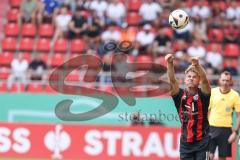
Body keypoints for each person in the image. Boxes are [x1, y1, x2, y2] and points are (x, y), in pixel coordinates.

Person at [165, 53, 211, 160]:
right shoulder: (179, 95)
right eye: (189, 76)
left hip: (202, 141)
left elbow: (204, 79)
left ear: (198, 80)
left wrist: (197, 65)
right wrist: (170, 63)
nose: (191, 79)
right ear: (185, 79)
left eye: (194, 77)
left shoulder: (204, 94)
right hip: (185, 143)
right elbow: (172, 80)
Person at [208, 71, 240, 160]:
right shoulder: (213, 92)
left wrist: (235, 132)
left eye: (227, 80)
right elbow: (207, 111)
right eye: (223, 80)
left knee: (222, 157)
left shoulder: (235, 95)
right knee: (208, 156)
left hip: (226, 130)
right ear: (219, 80)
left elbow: (239, 116)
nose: (225, 83)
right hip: (212, 128)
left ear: (230, 81)